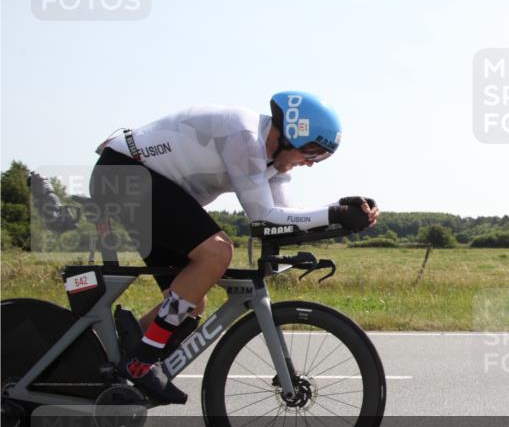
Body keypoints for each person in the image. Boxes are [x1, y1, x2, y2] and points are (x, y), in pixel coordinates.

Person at [89, 91, 379, 404]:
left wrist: (345, 216)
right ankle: (140, 362)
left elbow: (285, 221)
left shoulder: (273, 166)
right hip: (123, 173)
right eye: (311, 151)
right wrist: (335, 212)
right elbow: (263, 217)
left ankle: (110, 356)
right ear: (290, 134)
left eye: (320, 157)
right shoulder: (244, 136)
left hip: (145, 182)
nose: (310, 163)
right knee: (217, 251)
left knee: (189, 305)